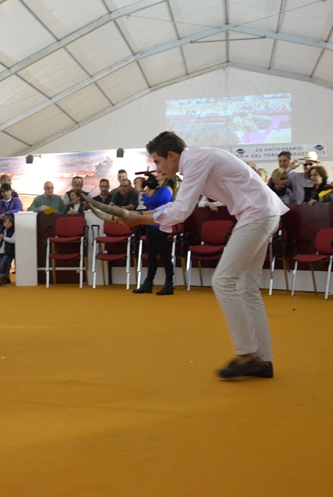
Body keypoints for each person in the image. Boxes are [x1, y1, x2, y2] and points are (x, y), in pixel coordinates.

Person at [116, 131, 288, 379]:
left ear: (172, 156)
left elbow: (181, 210)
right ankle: (262, 360)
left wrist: (140, 218)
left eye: (157, 161)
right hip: (263, 213)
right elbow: (178, 207)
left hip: (258, 214)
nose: (156, 168)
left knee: (223, 281)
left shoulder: (195, 161)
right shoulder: (196, 160)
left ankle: (246, 356)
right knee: (247, 289)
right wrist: (142, 217)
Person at [133, 174, 177, 296]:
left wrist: (140, 190)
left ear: (166, 178)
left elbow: (150, 201)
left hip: (160, 226)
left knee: (164, 256)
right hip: (151, 225)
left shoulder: (166, 189)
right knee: (151, 256)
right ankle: (148, 284)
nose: (156, 177)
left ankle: (169, 284)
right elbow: (148, 204)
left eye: (160, 174)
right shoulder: (158, 189)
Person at [0, 183, 22, 284]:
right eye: (3, 192)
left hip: (12, 231)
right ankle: (5, 277)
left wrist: (7, 213)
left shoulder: (16, 201)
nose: (5, 193)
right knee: (0, 254)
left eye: (6, 191)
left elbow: (19, 210)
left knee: (8, 255)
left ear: (10, 191)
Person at [0, 214, 15, 286]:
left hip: (8, 252)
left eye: (9, 222)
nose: (7, 224)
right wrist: (0, 238)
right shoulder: (3, 230)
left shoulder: (14, 231)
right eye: (5, 222)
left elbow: (13, 240)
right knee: (1, 265)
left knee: (3, 265)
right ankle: (4, 278)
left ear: (12, 223)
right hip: (1, 251)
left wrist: (4, 238)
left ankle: (2, 278)